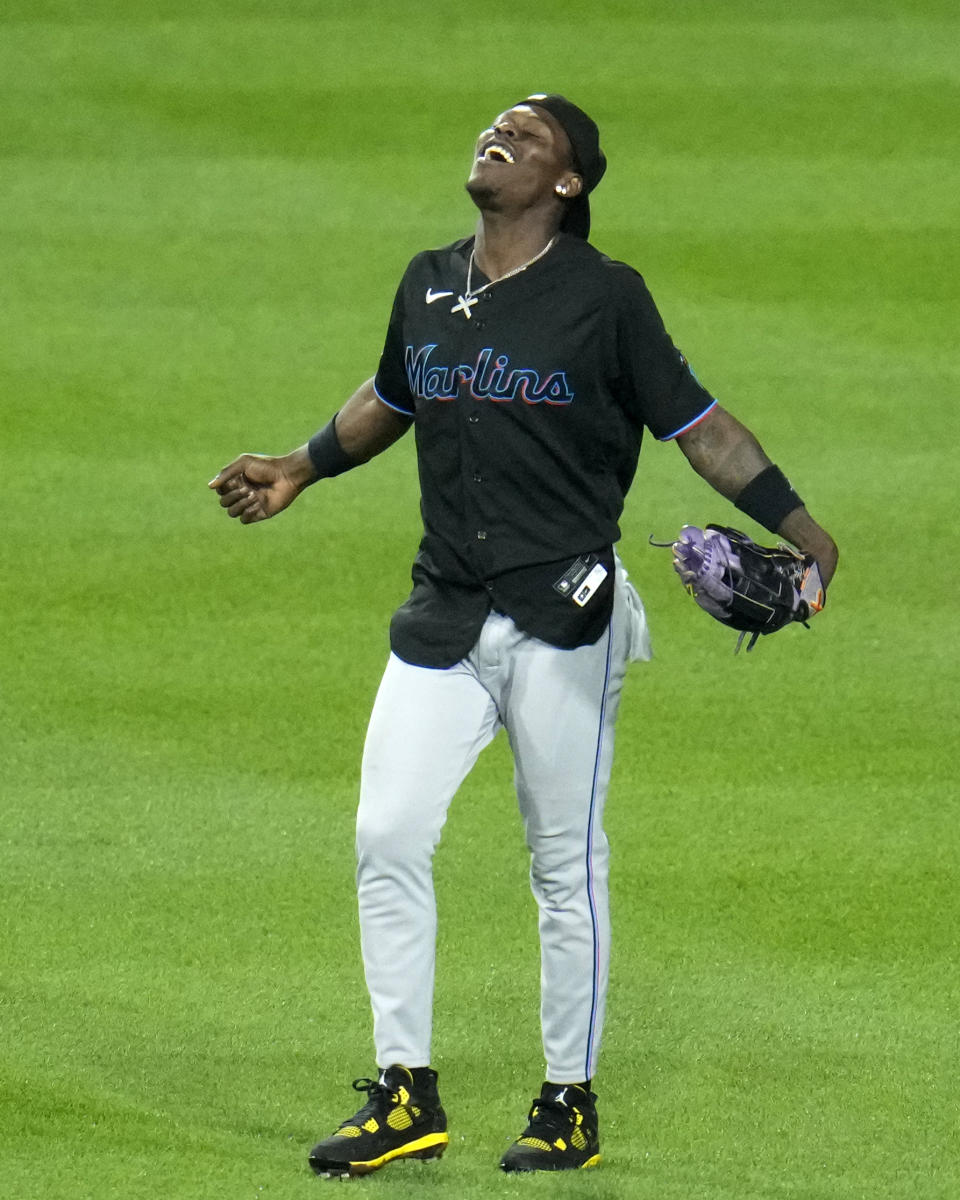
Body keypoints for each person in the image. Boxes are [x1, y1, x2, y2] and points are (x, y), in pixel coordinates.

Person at [208, 93, 838, 1177]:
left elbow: (702, 426)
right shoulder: (428, 279)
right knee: (386, 835)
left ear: (567, 182)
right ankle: (406, 1093)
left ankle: (567, 1103)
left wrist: (805, 535)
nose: (499, 136)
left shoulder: (606, 300)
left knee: (564, 866)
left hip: (565, 618)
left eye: (529, 135)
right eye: (494, 126)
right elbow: (396, 391)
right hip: (444, 610)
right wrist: (300, 467)